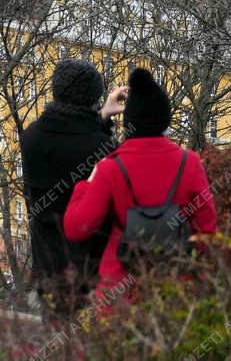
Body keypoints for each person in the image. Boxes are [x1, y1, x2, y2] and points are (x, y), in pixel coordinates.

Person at [64, 68, 217, 307]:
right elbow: (207, 230)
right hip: (177, 293)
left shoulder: (110, 167)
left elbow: (77, 228)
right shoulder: (190, 163)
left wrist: (86, 184)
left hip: (121, 294)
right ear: (165, 120)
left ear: (129, 123)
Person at [20, 59, 128, 314]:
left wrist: (100, 117)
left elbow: (69, 141)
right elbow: (88, 149)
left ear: (56, 92)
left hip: (47, 267)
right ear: (93, 97)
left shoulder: (30, 138)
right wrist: (102, 120)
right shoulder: (104, 149)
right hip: (88, 270)